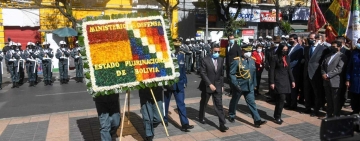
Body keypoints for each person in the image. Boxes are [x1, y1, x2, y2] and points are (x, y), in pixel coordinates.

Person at [228, 45, 267, 128]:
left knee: (252, 103)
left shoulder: (252, 60)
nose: (248, 53)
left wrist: (255, 85)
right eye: (246, 51)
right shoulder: (237, 61)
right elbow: (232, 74)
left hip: (249, 86)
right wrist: (235, 84)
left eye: (249, 51)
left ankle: (257, 120)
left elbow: (253, 74)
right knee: (234, 102)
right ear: (242, 51)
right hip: (239, 86)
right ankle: (231, 115)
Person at [163, 44, 194, 131]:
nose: (177, 48)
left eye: (178, 47)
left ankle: (185, 124)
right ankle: (165, 119)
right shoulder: (166, 56)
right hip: (169, 84)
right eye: (175, 47)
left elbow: (183, 69)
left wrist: (185, 81)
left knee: (181, 104)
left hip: (179, 84)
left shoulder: (181, 55)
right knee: (166, 103)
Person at [198, 45, 228, 132]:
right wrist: (209, 84)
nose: (217, 53)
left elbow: (221, 74)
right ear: (211, 51)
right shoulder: (205, 60)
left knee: (219, 104)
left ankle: (222, 124)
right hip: (207, 86)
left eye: (219, 52)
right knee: (204, 102)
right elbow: (203, 73)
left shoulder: (221, 60)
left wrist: (222, 85)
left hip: (218, 85)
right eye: (215, 52)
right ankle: (201, 116)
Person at [303, 33, 328, 117]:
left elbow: (324, 62)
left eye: (311, 38)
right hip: (306, 73)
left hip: (316, 73)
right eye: (309, 38)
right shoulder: (306, 48)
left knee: (317, 93)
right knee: (306, 91)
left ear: (316, 39)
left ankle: (316, 109)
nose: (309, 40)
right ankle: (307, 107)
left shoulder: (323, 49)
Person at [270, 43, 295, 124]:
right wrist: (272, 82)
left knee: (281, 99)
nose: (285, 51)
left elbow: (289, 70)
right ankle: (278, 116)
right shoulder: (274, 58)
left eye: (286, 50)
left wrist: (292, 80)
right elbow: (272, 71)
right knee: (281, 98)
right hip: (278, 80)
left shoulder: (287, 57)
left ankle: (277, 115)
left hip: (285, 80)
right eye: (283, 50)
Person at [321, 41, 347, 117]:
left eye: (334, 46)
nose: (332, 48)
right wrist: (323, 74)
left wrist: (328, 75)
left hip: (335, 80)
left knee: (335, 99)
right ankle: (329, 113)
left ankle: (336, 114)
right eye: (332, 46)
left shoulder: (342, 56)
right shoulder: (328, 55)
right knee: (329, 99)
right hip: (326, 81)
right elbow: (322, 66)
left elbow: (339, 68)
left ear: (339, 47)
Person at [286, 34, 304, 110]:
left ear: (296, 39)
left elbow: (297, 61)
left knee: (293, 88)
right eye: (289, 39)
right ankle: (288, 102)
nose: (290, 41)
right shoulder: (289, 48)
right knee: (287, 87)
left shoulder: (300, 48)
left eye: (291, 39)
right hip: (287, 71)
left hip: (294, 71)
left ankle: (293, 104)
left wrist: (288, 66)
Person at [264, 36, 282, 101]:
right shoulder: (270, 50)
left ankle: (277, 97)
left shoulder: (282, 50)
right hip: (271, 69)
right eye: (276, 42)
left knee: (278, 83)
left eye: (278, 42)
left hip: (278, 70)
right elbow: (267, 60)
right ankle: (272, 97)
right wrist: (267, 65)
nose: (277, 43)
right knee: (271, 82)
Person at [347, 40, 360, 114]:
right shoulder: (354, 52)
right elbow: (350, 66)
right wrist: (348, 78)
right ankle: (355, 110)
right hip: (355, 79)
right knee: (354, 96)